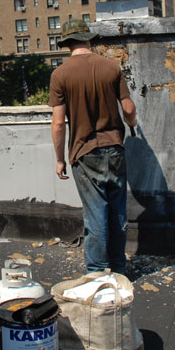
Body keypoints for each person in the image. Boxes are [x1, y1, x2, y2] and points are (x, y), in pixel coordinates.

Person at [49, 18, 137, 275]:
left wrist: (59, 159)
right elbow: (128, 108)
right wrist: (132, 124)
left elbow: (58, 124)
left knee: (95, 214)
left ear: (66, 44)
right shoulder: (111, 67)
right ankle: (119, 269)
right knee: (117, 212)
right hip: (115, 148)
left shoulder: (60, 74)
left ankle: (98, 272)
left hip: (84, 152)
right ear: (88, 39)